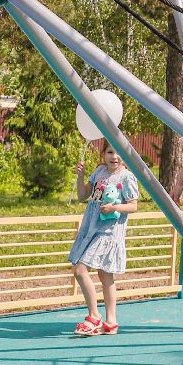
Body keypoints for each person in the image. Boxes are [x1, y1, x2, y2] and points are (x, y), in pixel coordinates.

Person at [68, 141, 140, 336]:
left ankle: (94, 316)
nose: (114, 157)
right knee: (105, 275)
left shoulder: (126, 177)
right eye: (109, 152)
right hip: (92, 227)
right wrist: (81, 176)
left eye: (117, 153)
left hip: (109, 231)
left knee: (80, 269)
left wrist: (115, 208)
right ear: (103, 154)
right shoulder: (99, 172)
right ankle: (111, 321)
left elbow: (133, 205)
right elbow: (84, 195)